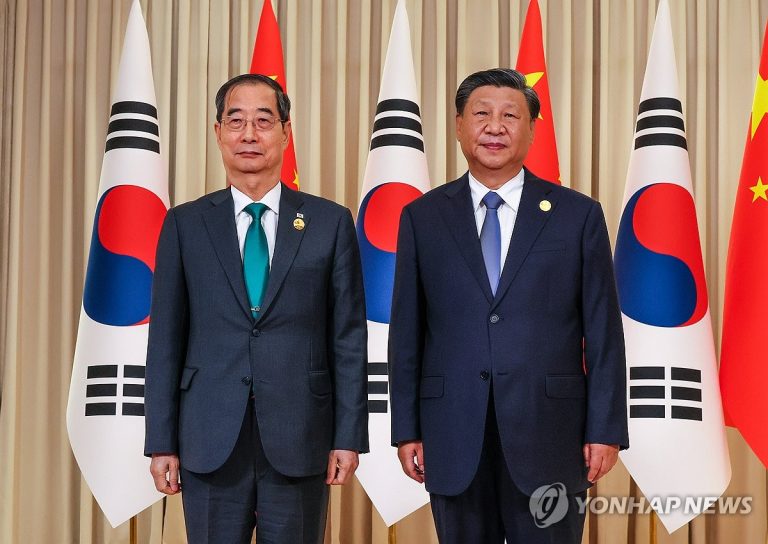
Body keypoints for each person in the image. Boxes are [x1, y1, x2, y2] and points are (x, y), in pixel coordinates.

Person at [389, 68, 628, 543]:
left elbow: (604, 332)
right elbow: (407, 333)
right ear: (459, 125)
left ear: (532, 129)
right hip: (452, 431)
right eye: (481, 114)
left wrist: (605, 428)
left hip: (552, 432)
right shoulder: (423, 217)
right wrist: (407, 428)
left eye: (510, 116)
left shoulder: (577, 215)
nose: (494, 127)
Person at [144, 73, 368, 544]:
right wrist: (161, 441)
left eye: (263, 121)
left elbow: (348, 338)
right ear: (218, 132)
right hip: (208, 436)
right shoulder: (185, 224)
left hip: (301, 434)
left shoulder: (329, 222)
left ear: (285, 132)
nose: (249, 134)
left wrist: (348, 436)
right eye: (236, 121)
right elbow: (165, 340)